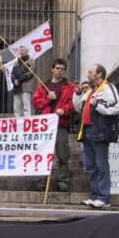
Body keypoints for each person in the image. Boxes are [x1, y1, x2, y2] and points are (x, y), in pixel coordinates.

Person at [73, 63, 119, 209]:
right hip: (87, 131)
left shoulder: (107, 87)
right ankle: (95, 196)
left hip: (100, 131)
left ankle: (104, 197)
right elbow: (78, 108)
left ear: (99, 74)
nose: (88, 74)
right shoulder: (90, 91)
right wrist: (77, 94)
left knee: (101, 164)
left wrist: (97, 104)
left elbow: (116, 107)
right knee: (91, 166)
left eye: (91, 71)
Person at [32, 58, 75, 192]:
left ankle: (63, 181)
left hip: (61, 123)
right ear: (52, 69)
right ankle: (41, 181)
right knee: (43, 153)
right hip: (46, 125)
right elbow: (36, 102)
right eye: (57, 68)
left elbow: (73, 104)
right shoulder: (43, 86)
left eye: (62, 69)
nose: (60, 71)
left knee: (63, 154)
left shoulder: (69, 86)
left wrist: (64, 110)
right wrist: (47, 99)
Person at [11, 45, 35, 117]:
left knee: (26, 108)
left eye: (22, 50)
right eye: (20, 50)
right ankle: (18, 123)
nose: (20, 51)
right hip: (16, 87)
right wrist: (14, 80)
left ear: (27, 51)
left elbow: (30, 73)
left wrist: (19, 80)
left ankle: (27, 123)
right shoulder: (16, 62)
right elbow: (12, 73)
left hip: (25, 87)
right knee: (17, 108)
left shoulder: (31, 60)